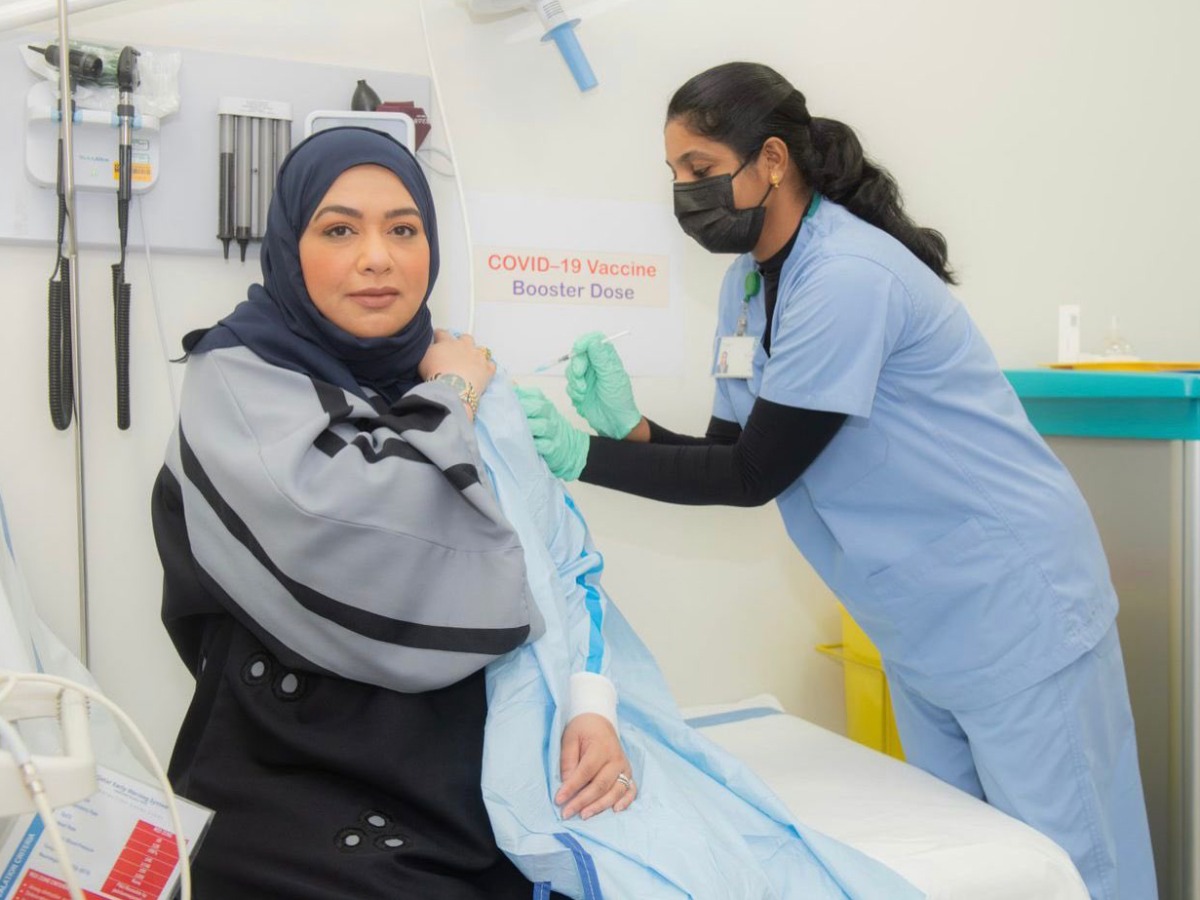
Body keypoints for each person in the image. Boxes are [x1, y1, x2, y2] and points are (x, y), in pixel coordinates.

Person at [516, 61, 1157, 900]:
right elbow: (731, 451)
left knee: (1074, 867)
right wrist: (629, 429)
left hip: (1015, 609)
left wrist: (581, 458)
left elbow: (750, 476)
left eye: (699, 171)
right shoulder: (747, 286)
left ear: (772, 159)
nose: (683, 195)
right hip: (926, 627)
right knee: (978, 861)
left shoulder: (848, 275)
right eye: (674, 175)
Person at [149, 126, 630, 899]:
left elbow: (559, 558)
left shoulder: (460, 373)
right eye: (339, 229)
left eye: (403, 229)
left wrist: (591, 709)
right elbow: (365, 528)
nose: (378, 256)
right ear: (289, 246)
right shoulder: (239, 380)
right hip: (290, 790)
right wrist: (455, 400)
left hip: (471, 791)